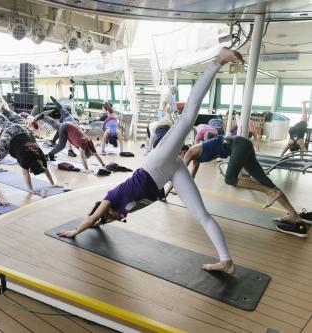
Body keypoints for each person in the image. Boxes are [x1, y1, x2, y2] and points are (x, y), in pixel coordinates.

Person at [57, 48, 245, 273]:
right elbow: (103, 221)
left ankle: (218, 61)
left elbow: (93, 218)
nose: (118, 219)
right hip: (169, 170)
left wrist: (76, 231)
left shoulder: (109, 200)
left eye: (109, 218)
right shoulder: (124, 211)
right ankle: (226, 261)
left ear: (106, 212)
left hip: (155, 164)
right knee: (201, 215)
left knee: (187, 119)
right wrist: (102, 224)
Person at [180, 135, 307, 237]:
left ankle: (268, 192)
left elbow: (180, 172)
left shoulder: (191, 151)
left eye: (180, 154)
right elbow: (189, 178)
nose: (181, 157)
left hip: (238, 145)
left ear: (183, 150)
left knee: (229, 179)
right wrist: (170, 191)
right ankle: (294, 215)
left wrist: (168, 188)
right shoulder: (195, 158)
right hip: (242, 144)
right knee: (265, 180)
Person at [0, 110, 60, 194]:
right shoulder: (25, 160)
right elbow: (26, 175)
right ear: (30, 168)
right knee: (1, 154)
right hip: (9, 138)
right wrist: (31, 190)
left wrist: (53, 184)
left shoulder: (41, 156)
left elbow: (46, 170)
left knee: (6, 123)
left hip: (20, 130)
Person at [40, 111, 106, 173]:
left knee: (55, 124)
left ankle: (44, 117)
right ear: (86, 150)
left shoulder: (89, 143)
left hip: (69, 126)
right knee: (61, 145)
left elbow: (96, 155)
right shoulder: (83, 143)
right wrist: (87, 169)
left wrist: (103, 165)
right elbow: (82, 157)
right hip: (65, 128)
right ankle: (51, 154)